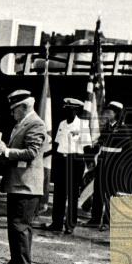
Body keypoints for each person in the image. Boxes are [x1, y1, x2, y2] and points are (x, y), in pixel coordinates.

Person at [0, 89, 46, 264]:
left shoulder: (36, 124)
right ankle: (16, 260)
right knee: (14, 225)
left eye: (14, 109)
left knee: (21, 226)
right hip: (18, 183)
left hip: (26, 185)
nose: (12, 113)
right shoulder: (22, 123)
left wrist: (6, 151)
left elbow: (32, 152)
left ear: (24, 107)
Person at [44, 97, 92, 235]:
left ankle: (70, 225)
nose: (67, 111)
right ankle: (56, 223)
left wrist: (89, 165)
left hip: (75, 162)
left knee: (72, 195)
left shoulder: (82, 125)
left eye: (70, 109)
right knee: (59, 194)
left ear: (76, 110)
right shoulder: (62, 124)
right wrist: (43, 155)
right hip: (61, 161)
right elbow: (57, 145)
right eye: (66, 108)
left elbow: (87, 147)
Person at [84, 100, 127, 231]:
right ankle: (95, 219)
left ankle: (107, 222)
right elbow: (101, 145)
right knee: (98, 192)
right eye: (106, 111)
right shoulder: (107, 127)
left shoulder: (123, 129)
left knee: (111, 195)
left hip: (114, 165)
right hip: (102, 163)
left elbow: (124, 150)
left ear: (117, 114)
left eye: (109, 112)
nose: (106, 114)